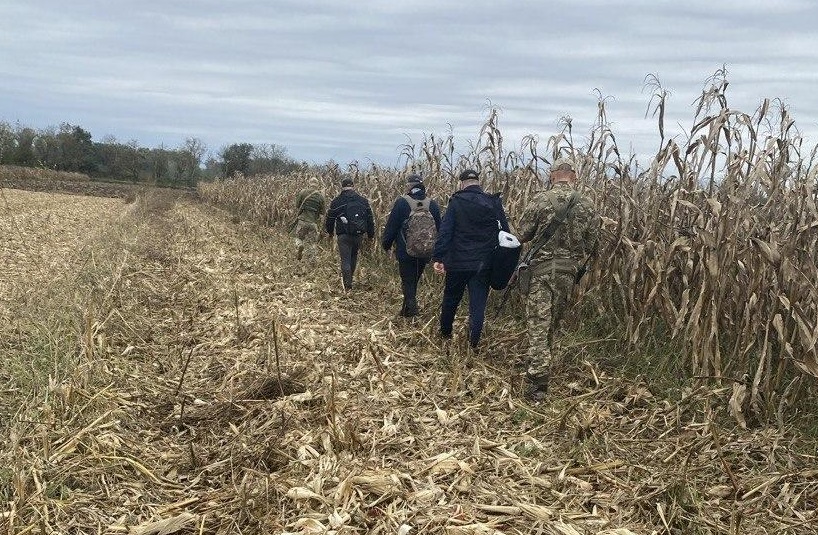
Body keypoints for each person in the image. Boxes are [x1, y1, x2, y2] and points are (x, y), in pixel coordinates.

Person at [517, 156, 600, 401]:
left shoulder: (540, 200)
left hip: (541, 273)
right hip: (568, 274)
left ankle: (538, 384)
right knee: (552, 324)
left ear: (553, 175)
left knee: (538, 326)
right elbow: (592, 244)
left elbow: (522, 234)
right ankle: (542, 364)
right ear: (574, 176)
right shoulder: (587, 204)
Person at [432, 169, 510, 348]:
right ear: (478, 182)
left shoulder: (456, 202)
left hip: (458, 262)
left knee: (451, 299)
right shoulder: (492, 202)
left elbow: (446, 232)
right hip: (483, 263)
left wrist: (439, 257)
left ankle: (445, 334)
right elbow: (505, 233)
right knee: (478, 304)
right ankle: (473, 342)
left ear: (462, 183)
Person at [382, 174, 442, 317]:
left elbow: (392, 226)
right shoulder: (432, 204)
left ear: (410, 186)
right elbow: (439, 229)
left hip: (405, 251)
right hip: (425, 252)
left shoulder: (402, 202)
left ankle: (413, 311)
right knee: (413, 280)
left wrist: (386, 244)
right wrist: (436, 252)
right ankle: (405, 311)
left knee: (408, 281)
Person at [325, 177, 375, 290]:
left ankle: (347, 284)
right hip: (358, 235)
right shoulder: (363, 201)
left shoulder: (337, 201)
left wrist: (330, 232)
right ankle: (350, 279)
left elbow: (330, 218)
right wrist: (371, 235)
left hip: (343, 235)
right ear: (353, 186)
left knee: (345, 259)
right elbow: (370, 219)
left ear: (342, 187)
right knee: (353, 257)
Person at [294, 179, 327, 261]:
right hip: (313, 223)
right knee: (312, 243)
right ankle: (311, 261)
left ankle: (299, 245)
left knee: (298, 238)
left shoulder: (303, 192)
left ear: (309, 184)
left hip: (302, 221)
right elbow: (323, 212)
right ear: (317, 185)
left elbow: (297, 205)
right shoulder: (320, 196)